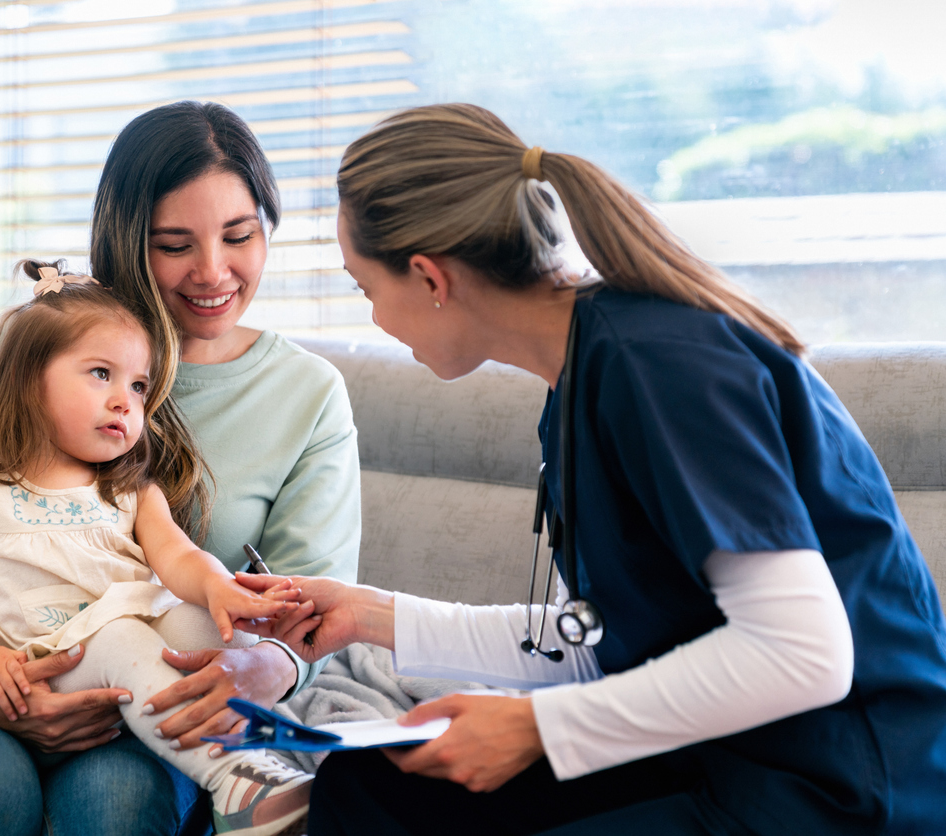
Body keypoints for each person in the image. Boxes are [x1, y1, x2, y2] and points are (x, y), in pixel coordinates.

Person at [237, 103, 946, 835]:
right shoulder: (581, 379)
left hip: (832, 784)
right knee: (372, 788)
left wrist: (535, 727)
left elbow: (804, 654)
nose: (374, 318)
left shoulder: (658, 367)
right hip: (717, 749)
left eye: (365, 289)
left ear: (428, 276)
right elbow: (602, 641)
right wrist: (371, 616)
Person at [0, 102, 361, 836]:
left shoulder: (307, 394)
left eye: (238, 235)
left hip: (142, 681)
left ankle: (249, 770)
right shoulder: (31, 343)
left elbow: (301, 605)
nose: (212, 271)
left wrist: (255, 669)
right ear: (126, 239)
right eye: (174, 243)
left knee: (113, 811)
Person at [0, 267, 313, 836]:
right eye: (102, 374)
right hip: (42, 665)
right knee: (122, 634)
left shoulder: (131, 489)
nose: (125, 402)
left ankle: (268, 759)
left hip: (125, 674)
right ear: (28, 381)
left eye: (139, 386)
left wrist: (222, 587)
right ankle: (236, 784)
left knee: (209, 626)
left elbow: (179, 559)